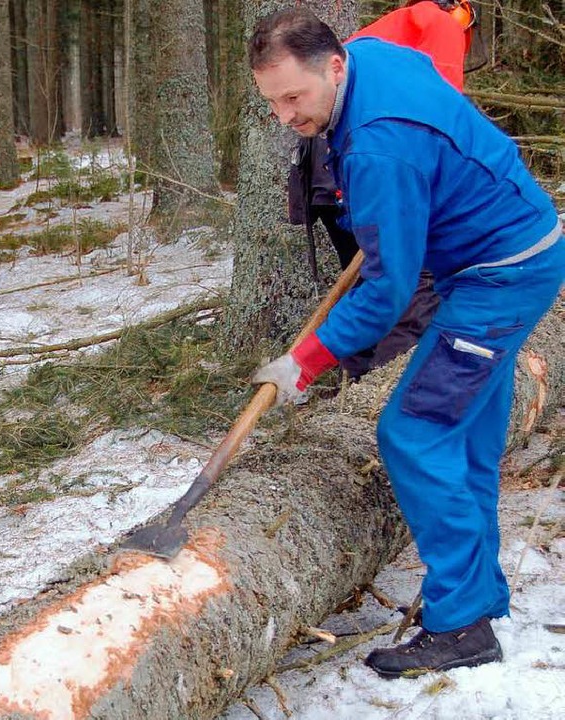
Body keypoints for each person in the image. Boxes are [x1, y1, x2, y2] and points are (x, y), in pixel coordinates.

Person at [249, 9, 564, 679]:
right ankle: (474, 594)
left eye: (293, 98)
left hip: (498, 278)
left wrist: (303, 362)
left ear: (333, 67)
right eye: (272, 101)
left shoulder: (374, 147)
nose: (284, 116)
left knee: (413, 430)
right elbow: (421, 33)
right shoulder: (368, 54)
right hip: (518, 250)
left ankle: (460, 625)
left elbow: (390, 290)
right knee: (466, 432)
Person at [287, 0, 478, 379]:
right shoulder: (440, 23)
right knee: (417, 282)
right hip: (362, 161)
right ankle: (375, 392)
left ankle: (355, 382)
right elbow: (443, 113)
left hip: (330, 164)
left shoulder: (395, 29)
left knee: (375, 284)